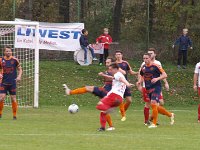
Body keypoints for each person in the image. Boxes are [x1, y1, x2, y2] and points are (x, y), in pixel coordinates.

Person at [63, 58, 115, 130]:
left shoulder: (115, 72)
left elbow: (113, 79)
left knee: (88, 88)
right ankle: (109, 127)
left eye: (108, 63)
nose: (107, 64)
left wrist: (103, 75)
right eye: (106, 62)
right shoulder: (107, 71)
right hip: (106, 92)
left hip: (108, 92)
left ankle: (70, 92)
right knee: (104, 110)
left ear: (113, 63)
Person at [137, 53, 174, 128]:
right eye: (144, 58)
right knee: (155, 106)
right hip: (148, 88)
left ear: (150, 58)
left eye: (147, 58)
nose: (145, 60)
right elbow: (141, 75)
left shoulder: (156, 66)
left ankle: (154, 123)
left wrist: (157, 79)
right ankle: (170, 114)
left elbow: (165, 75)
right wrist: (139, 82)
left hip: (156, 87)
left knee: (153, 103)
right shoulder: (143, 67)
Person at [96, 63, 133, 131]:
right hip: (119, 99)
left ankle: (110, 109)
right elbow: (112, 78)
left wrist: (127, 84)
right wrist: (103, 75)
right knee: (103, 112)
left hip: (114, 95)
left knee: (99, 105)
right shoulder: (116, 75)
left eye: (111, 69)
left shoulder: (118, 74)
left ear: (116, 69)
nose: (109, 71)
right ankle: (102, 127)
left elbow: (122, 79)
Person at [0, 46, 22, 120]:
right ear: (4, 52)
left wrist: (19, 76)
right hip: (3, 82)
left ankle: (14, 115)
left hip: (12, 83)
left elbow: (20, 69)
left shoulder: (15, 60)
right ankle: (0, 113)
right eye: (7, 51)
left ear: (11, 52)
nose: (8, 52)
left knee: (13, 99)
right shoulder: (1, 60)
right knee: (1, 98)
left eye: (9, 51)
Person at [115, 50, 138, 121]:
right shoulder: (114, 64)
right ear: (115, 56)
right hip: (118, 85)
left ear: (122, 55)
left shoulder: (125, 63)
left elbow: (130, 72)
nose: (118, 56)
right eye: (117, 54)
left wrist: (137, 73)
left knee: (129, 100)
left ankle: (123, 110)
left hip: (125, 84)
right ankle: (123, 115)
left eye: (119, 54)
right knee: (120, 100)